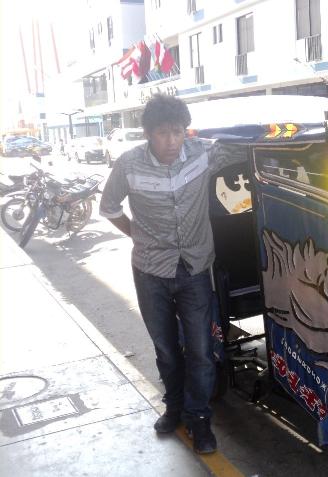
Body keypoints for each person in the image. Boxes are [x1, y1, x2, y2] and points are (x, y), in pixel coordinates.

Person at [99, 94, 243, 454]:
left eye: (177, 132)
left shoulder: (202, 153)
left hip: (194, 268)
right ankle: (174, 407)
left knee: (200, 350)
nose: (171, 141)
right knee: (165, 349)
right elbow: (109, 206)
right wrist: (137, 235)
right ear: (149, 133)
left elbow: (244, 145)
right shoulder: (129, 164)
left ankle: (199, 418)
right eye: (163, 133)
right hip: (150, 271)